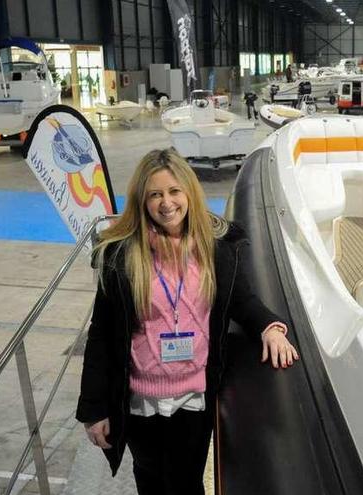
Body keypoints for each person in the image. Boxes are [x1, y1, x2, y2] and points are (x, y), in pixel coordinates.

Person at [76, 148, 298, 495]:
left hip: (193, 398)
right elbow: (101, 335)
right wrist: (94, 409)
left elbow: (242, 301)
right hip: (139, 402)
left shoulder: (217, 247)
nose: (167, 203)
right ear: (142, 200)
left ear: (189, 193)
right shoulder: (120, 255)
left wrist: (270, 326)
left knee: (186, 482)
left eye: (174, 191)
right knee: (149, 478)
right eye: (155, 194)